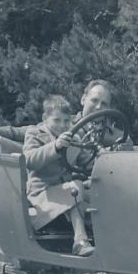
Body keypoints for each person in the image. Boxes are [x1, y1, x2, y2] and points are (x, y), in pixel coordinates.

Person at [22, 95, 94, 257]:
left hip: (66, 193)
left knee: (98, 194)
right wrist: (55, 146)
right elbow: (29, 161)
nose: (62, 125)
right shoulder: (34, 133)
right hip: (41, 195)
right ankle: (80, 242)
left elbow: (89, 164)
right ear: (45, 118)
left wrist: (106, 159)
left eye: (66, 121)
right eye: (56, 120)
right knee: (75, 187)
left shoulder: (74, 138)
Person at [0, 78, 131, 151]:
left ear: (109, 108)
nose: (98, 107)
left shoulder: (118, 136)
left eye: (104, 104)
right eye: (94, 100)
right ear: (83, 99)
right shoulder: (64, 123)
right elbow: (25, 132)